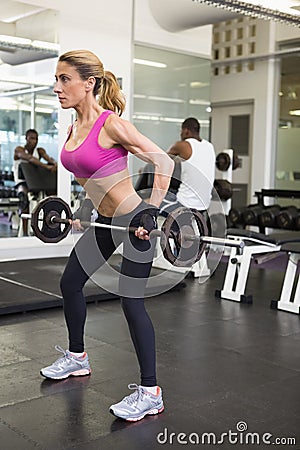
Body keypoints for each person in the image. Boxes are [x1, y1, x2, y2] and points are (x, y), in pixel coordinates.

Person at [40, 49, 174, 422]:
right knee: (70, 284)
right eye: (56, 79)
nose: (57, 87)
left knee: (131, 302)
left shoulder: (111, 124)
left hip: (134, 222)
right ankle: (77, 358)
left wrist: (153, 209)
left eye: (64, 79)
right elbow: (92, 177)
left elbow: (164, 161)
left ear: (89, 83)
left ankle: (151, 392)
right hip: (105, 222)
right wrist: (84, 213)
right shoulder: (72, 127)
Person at [159, 117, 215, 225]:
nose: (181, 134)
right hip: (204, 206)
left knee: (149, 204)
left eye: (181, 131)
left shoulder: (183, 145)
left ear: (186, 131)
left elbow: (162, 160)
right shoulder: (209, 146)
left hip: (184, 204)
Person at [14, 129, 57, 235]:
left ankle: (47, 227)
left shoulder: (40, 151)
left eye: (36, 138)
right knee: (24, 198)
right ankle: (24, 232)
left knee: (51, 195)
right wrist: (46, 166)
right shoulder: (19, 149)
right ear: (26, 139)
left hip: (36, 181)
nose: (34, 141)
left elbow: (50, 159)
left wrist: (54, 165)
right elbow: (29, 158)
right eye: (32, 138)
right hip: (22, 182)